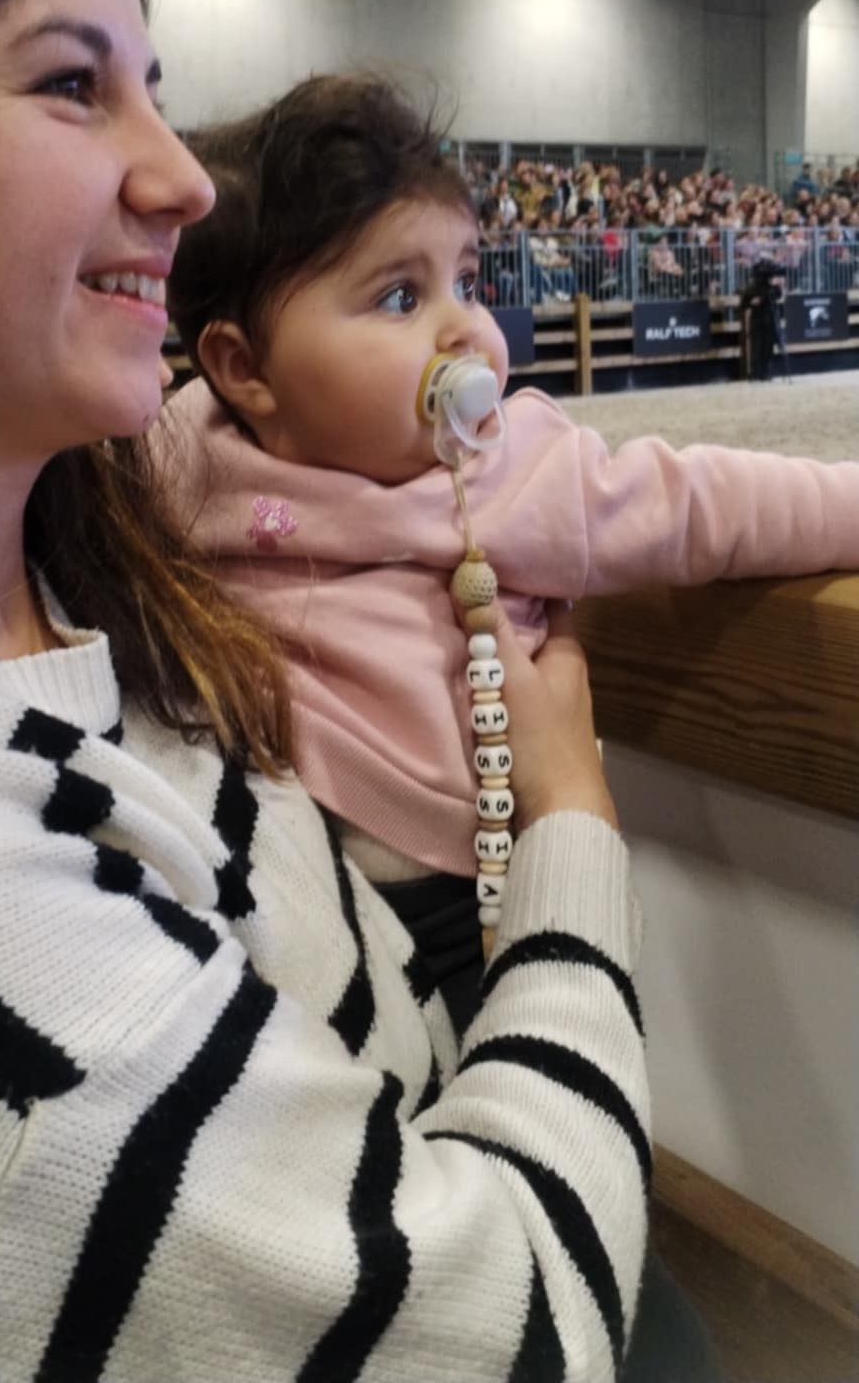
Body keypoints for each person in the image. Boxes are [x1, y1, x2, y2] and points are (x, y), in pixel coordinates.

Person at [0, 0, 653, 1383]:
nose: (183, 179)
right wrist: (571, 822)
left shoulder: (88, 586)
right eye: (72, 85)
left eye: (155, 89)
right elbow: (522, 1330)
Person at [160, 76, 859, 980]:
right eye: (400, 298)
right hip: (269, 896)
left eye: (467, 281)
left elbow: (707, 503)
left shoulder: (511, 473)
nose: (464, 327)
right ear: (244, 369)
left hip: (453, 891)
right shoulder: (176, 457)